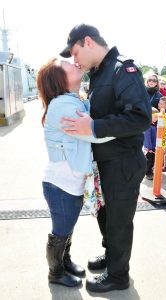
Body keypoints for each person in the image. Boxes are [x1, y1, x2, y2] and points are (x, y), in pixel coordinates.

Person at [59, 23, 151, 293]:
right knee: (107, 215)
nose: (75, 60)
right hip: (107, 162)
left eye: (75, 53)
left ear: (88, 41)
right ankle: (112, 257)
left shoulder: (124, 69)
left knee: (119, 220)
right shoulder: (100, 73)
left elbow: (140, 118)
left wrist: (95, 127)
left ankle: (118, 275)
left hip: (123, 161)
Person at [36, 58, 115, 287]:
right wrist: (124, 129)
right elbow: (93, 133)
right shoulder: (62, 105)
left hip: (68, 182)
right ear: (58, 79)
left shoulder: (72, 100)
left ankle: (65, 261)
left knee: (68, 227)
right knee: (60, 231)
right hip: (60, 184)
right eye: (67, 64)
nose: (75, 63)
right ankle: (56, 272)